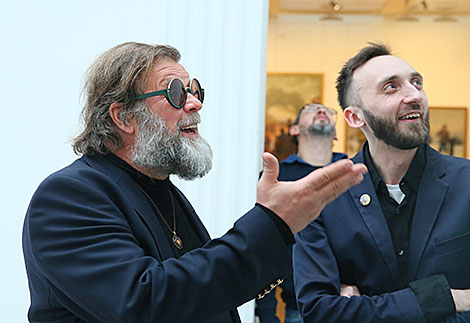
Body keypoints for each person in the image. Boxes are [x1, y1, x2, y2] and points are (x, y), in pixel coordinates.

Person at [22, 42, 367, 323]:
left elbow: (201, 294)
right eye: (175, 92)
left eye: (194, 89)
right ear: (124, 117)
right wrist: (273, 223)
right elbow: (146, 304)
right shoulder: (69, 197)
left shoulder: (160, 189)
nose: (195, 103)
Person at [293, 42, 470, 322]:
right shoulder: (322, 200)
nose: (414, 96)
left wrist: (363, 309)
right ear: (355, 117)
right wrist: (445, 298)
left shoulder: (467, 183)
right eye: (391, 87)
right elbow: (320, 313)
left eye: (416, 83)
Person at [256, 103, 347, 323]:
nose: (322, 111)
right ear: (294, 129)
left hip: (355, 305)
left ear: (335, 134)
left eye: (328, 111)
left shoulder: (354, 171)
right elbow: (265, 246)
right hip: (298, 312)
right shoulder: (276, 177)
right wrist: (268, 316)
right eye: (310, 109)